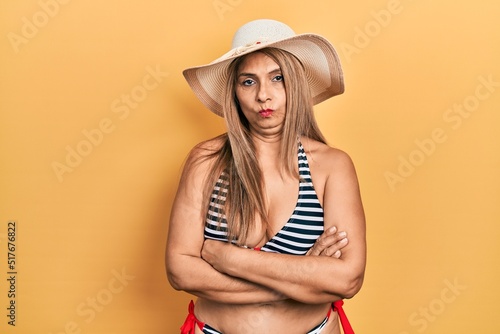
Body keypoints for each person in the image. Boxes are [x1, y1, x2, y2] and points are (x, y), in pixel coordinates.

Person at [166, 19, 366, 334]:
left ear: (296, 84)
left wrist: (229, 259)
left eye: (278, 78)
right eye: (248, 81)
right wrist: (304, 276)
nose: (264, 95)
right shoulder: (206, 160)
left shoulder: (332, 166)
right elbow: (181, 271)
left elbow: (347, 279)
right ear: (233, 91)